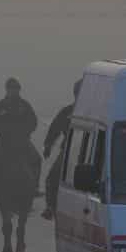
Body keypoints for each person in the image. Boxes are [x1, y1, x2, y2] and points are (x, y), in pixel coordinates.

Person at [0, 78, 40, 202]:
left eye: (15, 89)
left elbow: (34, 121)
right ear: (7, 90)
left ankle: (35, 187)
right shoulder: (0, 105)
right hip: (4, 142)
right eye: (11, 89)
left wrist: (26, 131)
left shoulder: (25, 105)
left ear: (19, 90)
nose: (13, 91)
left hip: (23, 141)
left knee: (37, 159)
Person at [41, 79, 82, 220]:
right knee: (52, 178)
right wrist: (48, 145)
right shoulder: (66, 112)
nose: (79, 95)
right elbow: (54, 129)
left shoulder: (96, 111)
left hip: (92, 151)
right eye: (78, 92)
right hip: (68, 151)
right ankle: (50, 207)